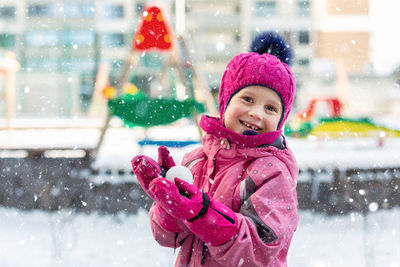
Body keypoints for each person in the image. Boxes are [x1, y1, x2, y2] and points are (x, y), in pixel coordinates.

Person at [132, 31, 299, 267]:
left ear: (281, 120)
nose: (256, 113)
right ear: (225, 102)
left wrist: (202, 214)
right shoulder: (196, 160)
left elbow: (258, 250)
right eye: (248, 99)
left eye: (271, 108)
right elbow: (168, 238)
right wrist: (170, 204)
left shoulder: (272, 173)